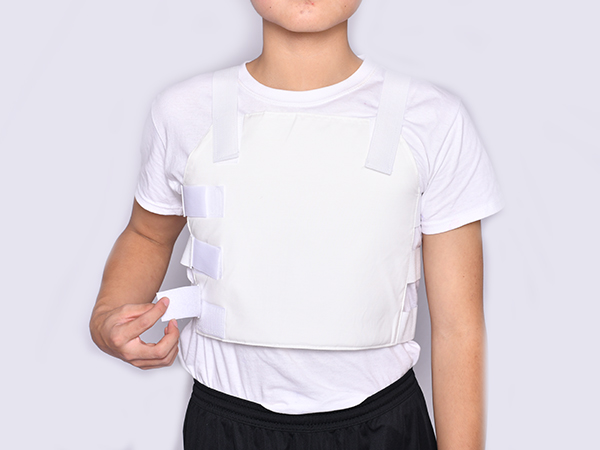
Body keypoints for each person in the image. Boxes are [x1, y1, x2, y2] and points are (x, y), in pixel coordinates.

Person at [90, 1, 503, 449]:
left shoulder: (432, 119)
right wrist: (106, 315)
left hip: (382, 424)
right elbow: (148, 233)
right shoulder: (185, 111)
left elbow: (458, 328)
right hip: (227, 422)